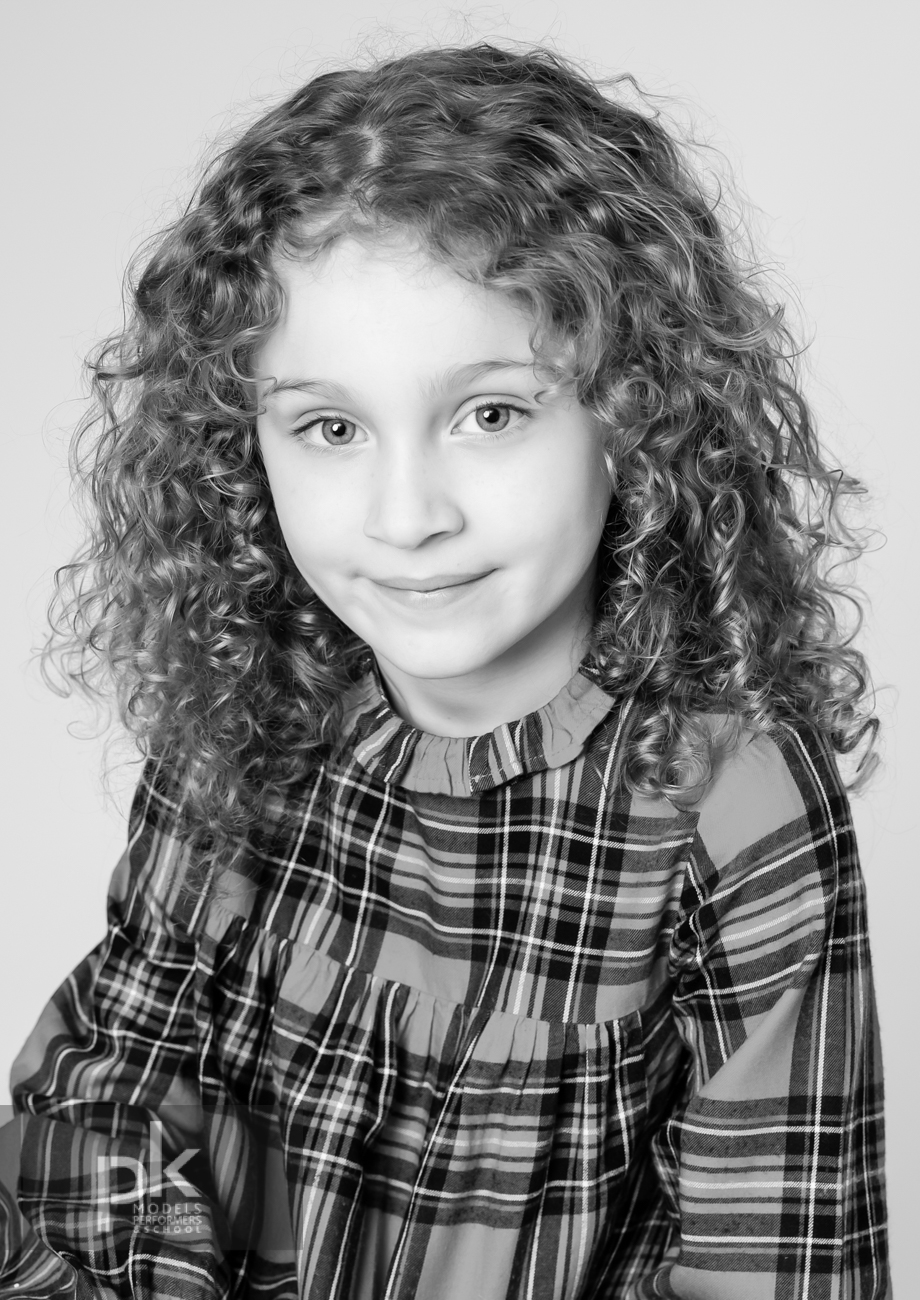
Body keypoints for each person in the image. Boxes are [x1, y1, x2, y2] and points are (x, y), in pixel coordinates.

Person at [0, 42, 889, 1300]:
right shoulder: (249, 708)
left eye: (491, 414)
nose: (407, 515)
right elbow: (102, 1107)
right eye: (329, 427)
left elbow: (776, 1261)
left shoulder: (726, 800)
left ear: (632, 413)